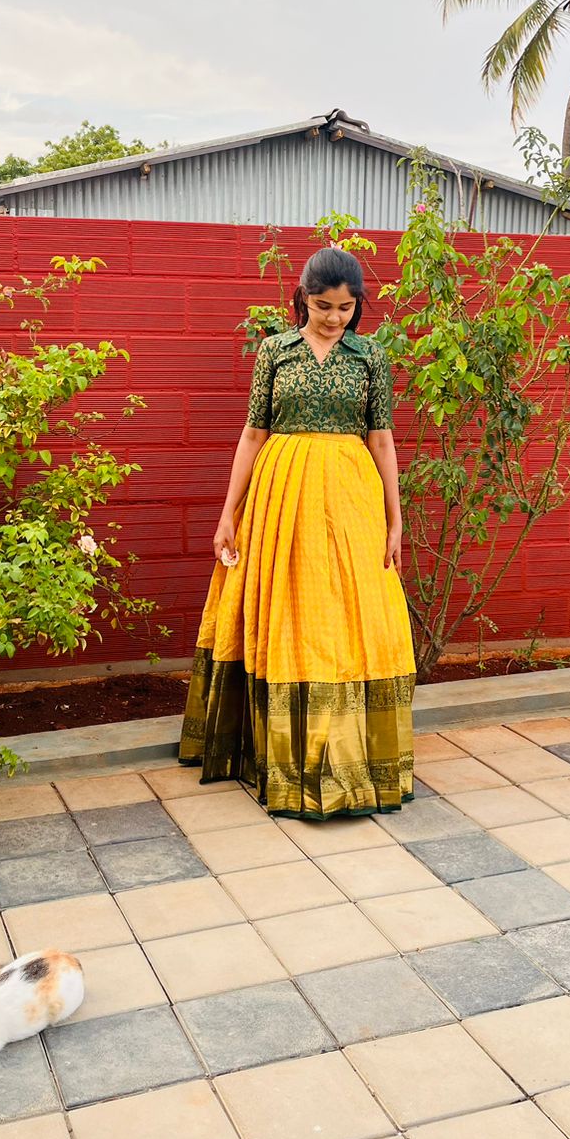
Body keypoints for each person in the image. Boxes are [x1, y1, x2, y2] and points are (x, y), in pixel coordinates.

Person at [178, 246, 416, 817]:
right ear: (301, 299)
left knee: (350, 616)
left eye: (345, 307)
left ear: (358, 304)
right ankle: (275, 753)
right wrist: (228, 512)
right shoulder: (274, 351)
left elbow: (381, 440)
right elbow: (253, 435)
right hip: (280, 498)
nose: (334, 318)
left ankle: (346, 757)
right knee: (285, 612)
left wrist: (394, 517)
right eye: (322, 306)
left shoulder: (370, 356)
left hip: (351, 499)